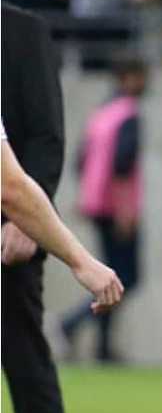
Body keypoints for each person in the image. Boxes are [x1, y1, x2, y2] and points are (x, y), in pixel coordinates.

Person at [1, 2, 69, 413]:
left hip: (9, 233)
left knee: (25, 361)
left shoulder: (23, 32)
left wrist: (26, 223)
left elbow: (47, 135)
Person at [61, 54, 147, 362]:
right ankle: (72, 324)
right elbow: (123, 165)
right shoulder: (129, 115)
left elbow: (81, 160)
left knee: (113, 275)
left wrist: (86, 195)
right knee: (125, 278)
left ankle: (103, 348)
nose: (144, 83)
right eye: (140, 76)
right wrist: (125, 211)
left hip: (96, 205)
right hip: (117, 209)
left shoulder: (101, 114)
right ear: (128, 78)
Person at [1, 129, 123, 314]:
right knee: (118, 279)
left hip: (98, 206)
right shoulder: (127, 118)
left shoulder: (106, 115)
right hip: (109, 209)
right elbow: (10, 188)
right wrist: (82, 263)